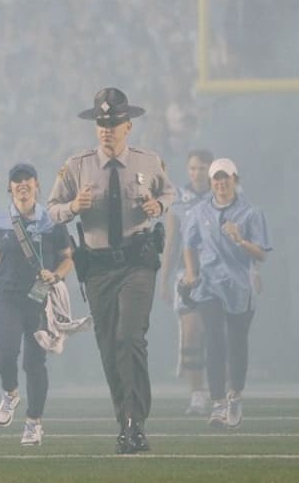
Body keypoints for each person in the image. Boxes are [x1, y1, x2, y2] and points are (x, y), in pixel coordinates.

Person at [46, 87, 175, 454]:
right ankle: (125, 421)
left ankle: (136, 422)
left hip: (137, 262)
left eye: (114, 122)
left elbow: (169, 194)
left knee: (129, 336)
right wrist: (73, 206)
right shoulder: (76, 166)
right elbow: (51, 209)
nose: (107, 129)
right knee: (108, 346)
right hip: (99, 267)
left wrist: (156, 207)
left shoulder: (148, 162)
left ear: (128, 126)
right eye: (102, 123)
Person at [0, 162, 73, 447]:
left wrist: (55, 275)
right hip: (7, 296)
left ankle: (34, 423)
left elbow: (68, 257)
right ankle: (10, 393)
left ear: (36, 185)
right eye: (16, 180)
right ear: (9, 187)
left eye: (27, 179)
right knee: (5, 353)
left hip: (39, 298)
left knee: (34, 363)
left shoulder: (52, 221)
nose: (22, 184)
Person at [181, 158, 271, 429]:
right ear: (210, 183)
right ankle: (217, 401)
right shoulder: (198, 212)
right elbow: (189, 243)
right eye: (216, 179)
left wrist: (239, 239)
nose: (221, 183)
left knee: (237, 343)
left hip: (239, 287)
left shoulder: (251, 213)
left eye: (226, 178)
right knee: (213, 339)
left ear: (235, 180)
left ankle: (235, 395)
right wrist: (191, 273)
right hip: (209, 286)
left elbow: (261, 253)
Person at [159, 149, 214, 416]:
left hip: (219, 274)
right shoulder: (179, 199)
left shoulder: (224, 194)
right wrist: (165, 279)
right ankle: (197, 393)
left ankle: (221, 392)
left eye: (201, 168)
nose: (196, 173)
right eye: (192, 168)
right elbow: (171, 242)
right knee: (192, 331)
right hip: (187, 275)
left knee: (216, 334)